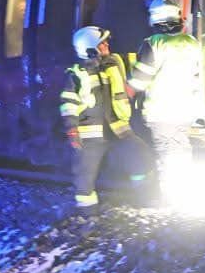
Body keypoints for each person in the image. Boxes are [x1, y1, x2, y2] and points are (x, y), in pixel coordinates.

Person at [59, 25, 146, 210]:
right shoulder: (77, 73)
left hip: (119, 128)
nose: (107, 44)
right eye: (102, 43)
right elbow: (68, 103)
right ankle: (87, 211)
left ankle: (144, 198)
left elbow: (138, 66)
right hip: (91, 135)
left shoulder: (114, 62)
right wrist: (72, 129)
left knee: (139, 154)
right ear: (90, 49)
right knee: (85, 174)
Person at [129, 2, 204, 197]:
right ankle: (183, 192)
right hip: (186, 108)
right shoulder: (191, 42)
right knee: (181, 148)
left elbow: (139, 80)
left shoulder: (154, 43)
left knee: (168, 153)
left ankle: (174, 196)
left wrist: (124, 95)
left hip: (161, 110)